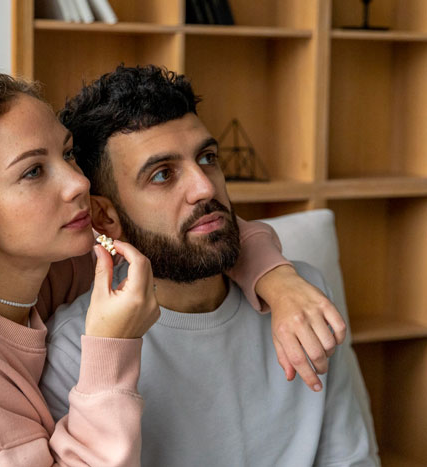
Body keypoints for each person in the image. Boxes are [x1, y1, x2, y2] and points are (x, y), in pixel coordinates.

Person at [0, 70, 345, 466]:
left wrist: (278, 277)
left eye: (67, 155)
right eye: (34, 172)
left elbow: (204, 231)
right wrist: (109, 350)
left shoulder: (51, 269)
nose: (77, 183)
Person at [40, 65, 379, 466]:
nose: (205, 187)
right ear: (105, 216)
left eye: (207, 157)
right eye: (163, 175)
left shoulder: (301, 296)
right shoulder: (74, 352)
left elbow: (350, 460)